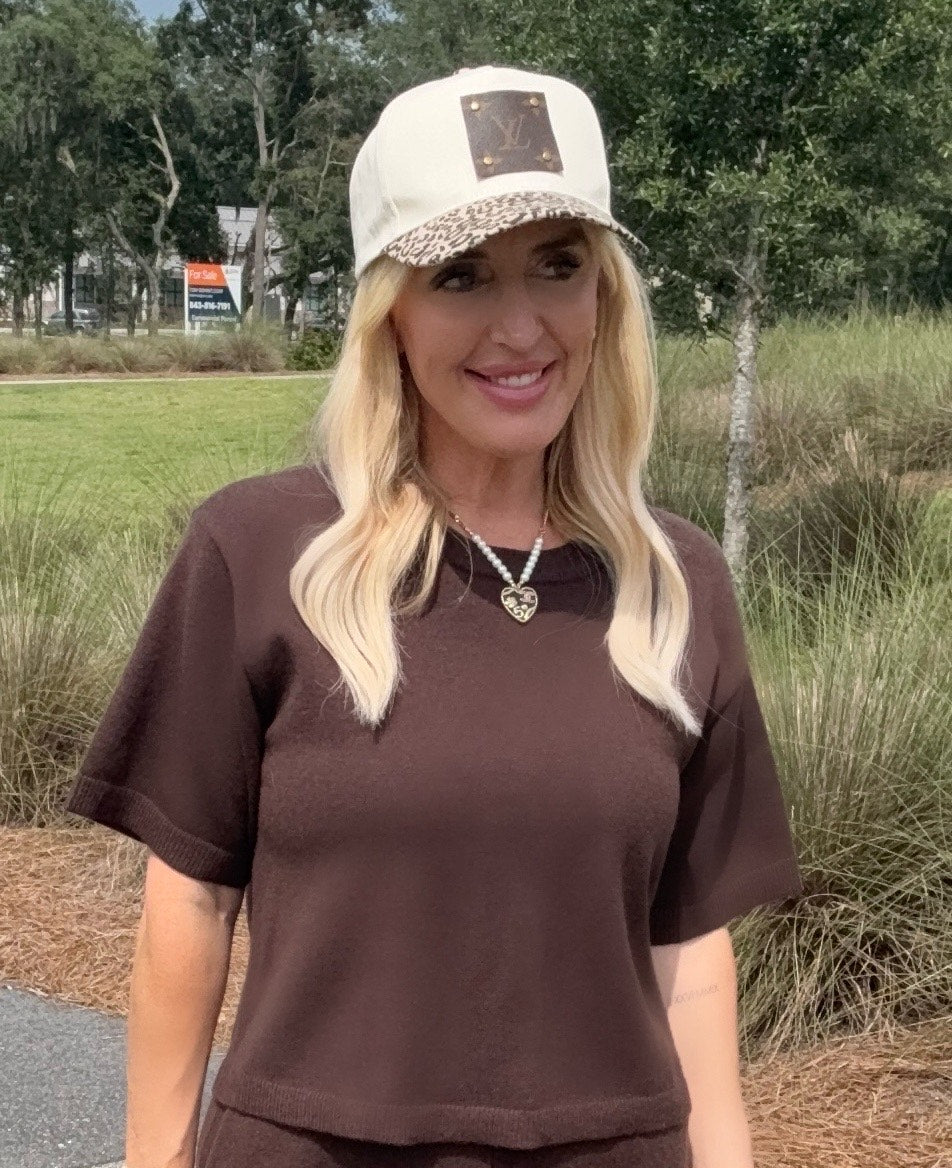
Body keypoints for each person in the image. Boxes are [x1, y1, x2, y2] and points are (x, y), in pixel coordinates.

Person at [64, 64, 805, 1168]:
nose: (520, 325)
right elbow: (190, 905)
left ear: (602, 294)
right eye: (460, 275)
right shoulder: (262, 555)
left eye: (558, 265)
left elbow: (689, 951)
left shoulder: (674, 584)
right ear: (388, 316)